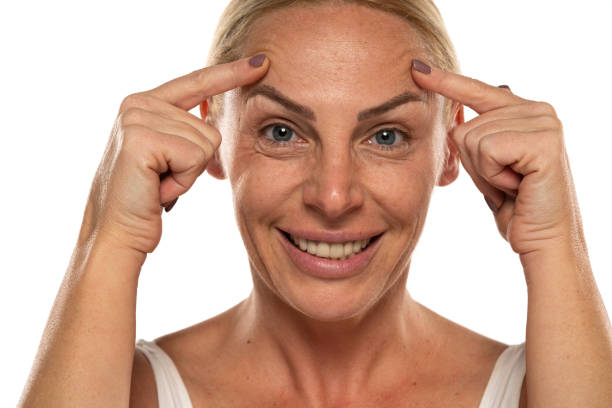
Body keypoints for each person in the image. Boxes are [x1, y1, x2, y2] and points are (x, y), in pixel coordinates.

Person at [18, 0, 612, 406]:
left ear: (450, 148)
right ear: (214, 136)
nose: (333, 196)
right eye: (281, 132)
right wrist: (111, 237)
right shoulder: (135, 392)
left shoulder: (538, 390)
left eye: (386, 136)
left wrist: (555, 243)